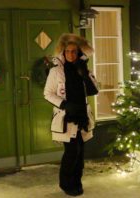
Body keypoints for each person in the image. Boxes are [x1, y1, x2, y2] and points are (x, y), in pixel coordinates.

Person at [44, 33, 98, 196]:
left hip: (82, 116)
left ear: (79, 53)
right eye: (68, 51)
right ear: (63, 52)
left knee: (80, 152)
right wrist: (65, 104)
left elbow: (93, 90)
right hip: (67, 117)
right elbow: (48, 93)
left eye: (74, 51)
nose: (71, 54)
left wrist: (84, 74)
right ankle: (66, 184)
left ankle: (77, 182)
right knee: (72, 152)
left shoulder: (84, 70)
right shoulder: (56, 72)